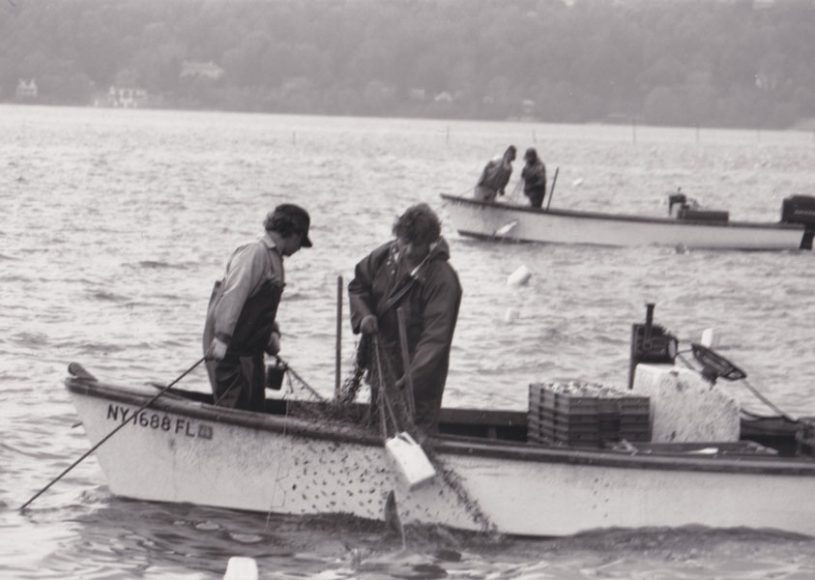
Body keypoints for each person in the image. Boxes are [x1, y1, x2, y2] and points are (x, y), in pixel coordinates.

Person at [348, 203, 462, 433]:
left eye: (416, 244)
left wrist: (409, 382)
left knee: (414, 433)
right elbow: (358, 286)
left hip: (420, 377)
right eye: (403, 241)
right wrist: (364, 315)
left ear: (431, 242)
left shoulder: (443, 279)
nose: (407, 250)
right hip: (383, 361)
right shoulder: (384, 256)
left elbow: (435, 339)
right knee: (379, 426)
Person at [203, 204, 312, 412]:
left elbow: (261, 307)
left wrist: (272, 332)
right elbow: (233, 295)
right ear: (293, 233)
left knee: (253, 407)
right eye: (301, 241)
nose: (299, 249)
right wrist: (222, 337)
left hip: (251, 352)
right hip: (229, 350)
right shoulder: (255, 252)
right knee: (233, 408)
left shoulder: (276, 259)